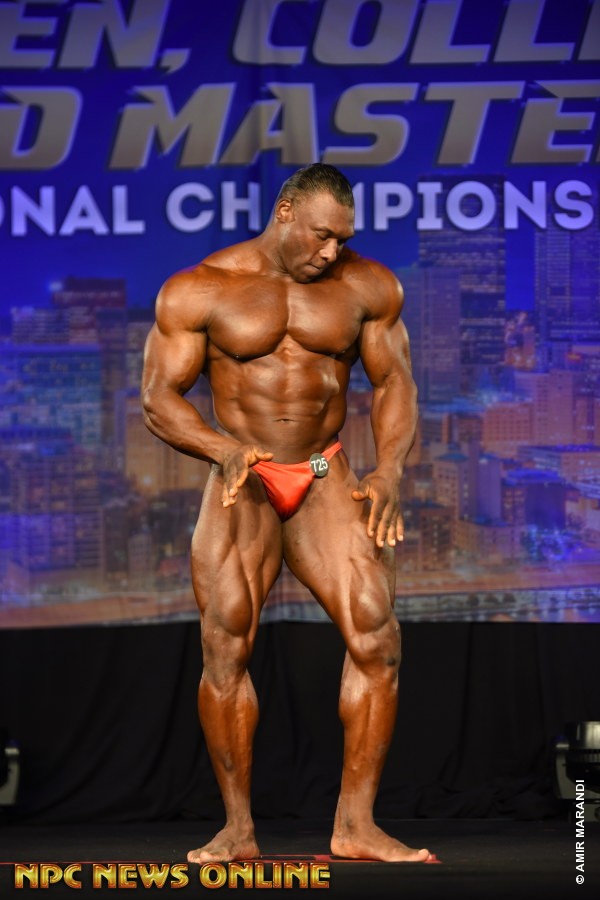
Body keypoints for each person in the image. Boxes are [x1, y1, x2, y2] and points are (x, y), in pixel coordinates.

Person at [142, 163, 433, 864]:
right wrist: (221, 449)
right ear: (285, 213)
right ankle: (237, 830)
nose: (332, 252)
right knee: (225, 646)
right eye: (322, 236)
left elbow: (394, 382)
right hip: (243, 475)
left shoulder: (368, 287)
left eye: (343, 240)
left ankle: (356, 826)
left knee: (377, 635)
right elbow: (158, 398)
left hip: (325, 471)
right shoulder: (200, 288)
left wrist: (389, 468)